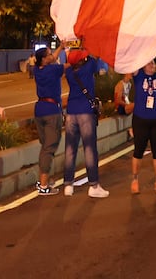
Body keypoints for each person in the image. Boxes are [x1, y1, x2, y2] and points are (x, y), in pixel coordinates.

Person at [62, 46, 109, 197]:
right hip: (86, 113)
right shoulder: (89, 67)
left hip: (71, 113)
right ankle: (94, 186)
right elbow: (96, 52)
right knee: (89, 148)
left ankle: (68, 185)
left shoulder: (69, 72)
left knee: (70, 149)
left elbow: (72, 58)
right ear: (82, 59)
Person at [130, 53, 156, 194]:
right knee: (138, 150)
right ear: (143, 66)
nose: (153, 65)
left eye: (154, 63)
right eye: (149, 63)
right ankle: (135, 179)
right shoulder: (138, 76)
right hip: (141, 119)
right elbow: (132, 62)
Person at [32, 47, 64, 195]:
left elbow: (53, 58)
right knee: (49, 148)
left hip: (40, 109)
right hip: (52, 110)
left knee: (44, 146)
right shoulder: (53, 70)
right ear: (45, 59)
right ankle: (43, 186)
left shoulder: (37, 70)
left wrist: (61, 47)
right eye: (49, 54)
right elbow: (70, 66)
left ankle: (44, 179)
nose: (53, 55)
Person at [113, 71, 134, 140]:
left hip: (126, 105)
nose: (132, 74)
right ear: (125, 73)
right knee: (137, 106)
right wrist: (128, 104)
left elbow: (127, 97)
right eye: (130, 72)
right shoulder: (120, 85)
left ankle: (133, 129)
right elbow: (118, 100)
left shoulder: (129, 84)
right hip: (120, 107)